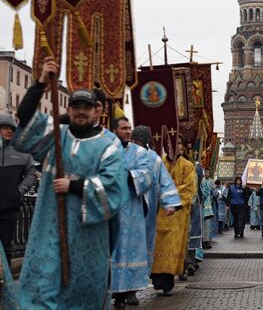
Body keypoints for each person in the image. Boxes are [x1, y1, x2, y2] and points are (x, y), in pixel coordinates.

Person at [11, 57, 127, 309]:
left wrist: (74, 185)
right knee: (40, 291)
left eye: (86, 107)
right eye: (76, 107)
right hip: (48, 229)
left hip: (86, 236)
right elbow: (24, 122)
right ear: (70, 110)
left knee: (80, 295)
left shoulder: (108, 146)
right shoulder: (55, 136)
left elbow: (115, 187)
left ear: (95, 110)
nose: (81, 112)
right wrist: (40, 83)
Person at [111, 117, 154, 308]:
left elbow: (147, 175)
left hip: (130, 211)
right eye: (123, 128)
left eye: (130, 128)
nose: (128, 131)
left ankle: (128, 292)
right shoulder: (106, 149)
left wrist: (128, 174)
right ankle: (111, 291)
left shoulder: (140, 153)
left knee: (129, 252)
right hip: (109, 208)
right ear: (114, 130)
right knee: (112, 251)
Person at [150, 137, 197, 296]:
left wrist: (169, 194)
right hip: (158, 212)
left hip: (177, 214)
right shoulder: (159, 163)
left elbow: (189, 189)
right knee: (157, 246)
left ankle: (168, 282)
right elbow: (152, 184)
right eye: (171, 143)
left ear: (182, 147)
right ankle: (157, 280)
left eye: (177, 143)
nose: (174, 146)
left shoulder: (188, 166)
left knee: (172, 248)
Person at [131, 126, 180, 271]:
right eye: (134, 140)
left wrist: (169, 203)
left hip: (148, 209)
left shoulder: (154, 159)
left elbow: (164, 181)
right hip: (129, 206)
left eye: (138, 141)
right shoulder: (125, 154)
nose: (136, 144)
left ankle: (139, 280)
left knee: (145, 244)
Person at [0, 113, 37, 264]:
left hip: (10, 208)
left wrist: (18, 191)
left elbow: (32, 174)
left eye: (12, 129)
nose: (9, 131)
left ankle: (5, 283)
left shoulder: (22, 152)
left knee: (7, 248)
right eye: (5, 128)